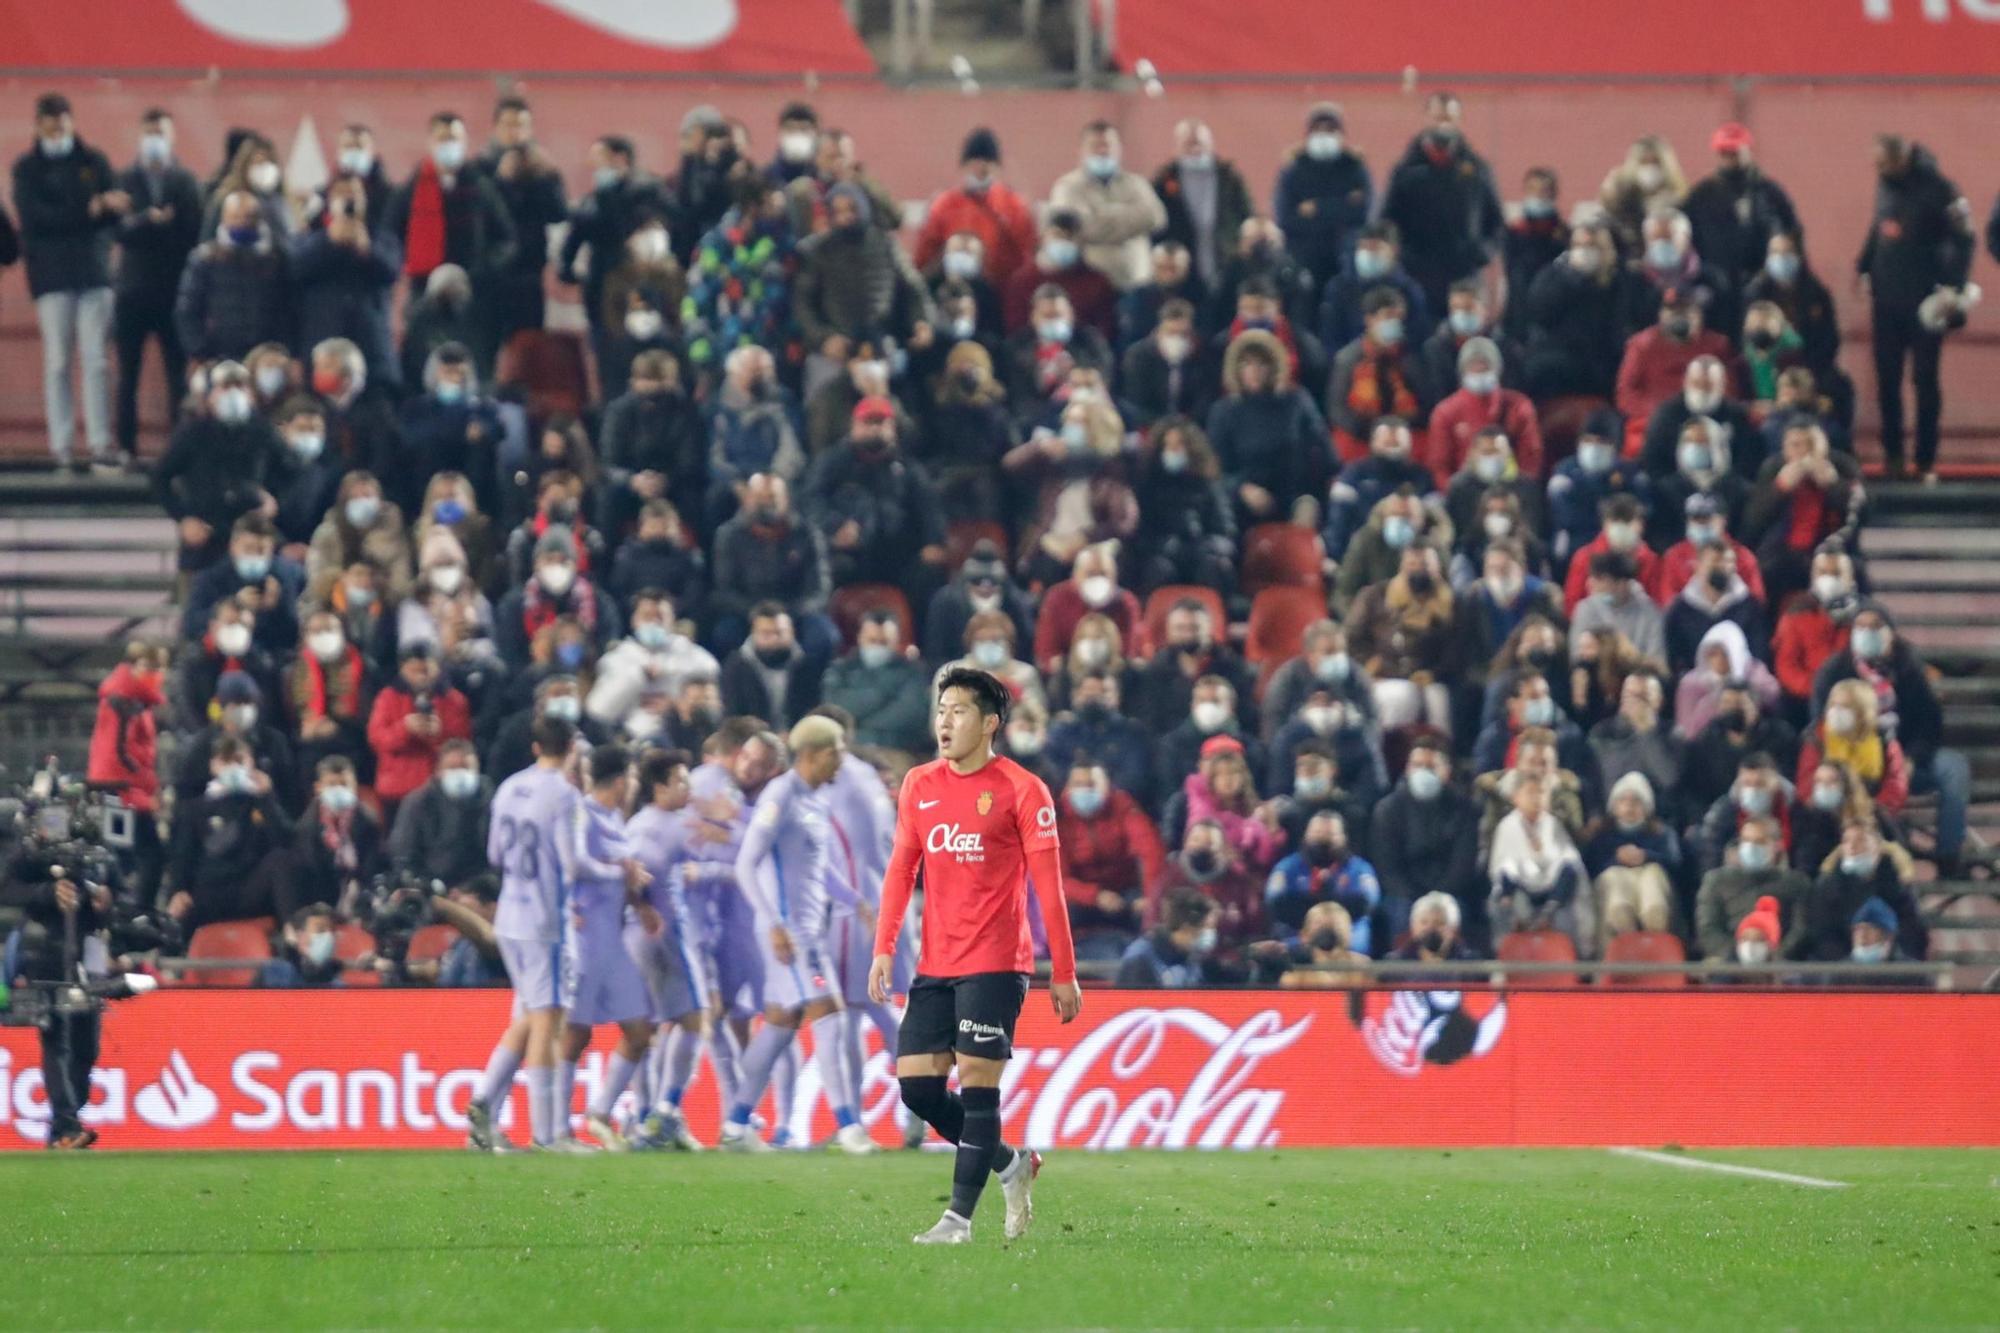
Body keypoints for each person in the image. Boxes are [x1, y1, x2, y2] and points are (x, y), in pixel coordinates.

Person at [871, 667, 1078, 1244]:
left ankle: (957, 1220)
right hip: (935, 961)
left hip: (996, 960)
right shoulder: (918, 784)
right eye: (941, 710)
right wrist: (884, 946)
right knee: (916, 1087)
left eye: (959, 711)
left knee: (979, 1084)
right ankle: (1012, 1164)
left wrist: (1064, 972)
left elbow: (1048, 888)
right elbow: (900, 870)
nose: (944, 721)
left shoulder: (1021, 789)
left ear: (990, 724)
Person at [715, 717, 874, 1154]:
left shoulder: (812, 800)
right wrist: (775, 924)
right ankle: (848, 1128)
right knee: (831, 1016)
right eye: (837, 750)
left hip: (806, 930)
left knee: (780, 1027)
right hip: (791, 936)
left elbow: (817, 867)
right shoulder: (780, 796)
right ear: (814, 754)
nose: (842, 758)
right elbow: (747, 864)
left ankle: (734, 1123)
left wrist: (855, 901)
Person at [465, 716, 579, 1152]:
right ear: (570, 746)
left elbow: (495, 852)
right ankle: (548, 1135)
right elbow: (571, 864)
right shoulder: (564, 794)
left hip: (510, 915)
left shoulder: (510, 786)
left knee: (529, 1016)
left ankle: (485, 1106)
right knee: (546, 1021)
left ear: (536, 746)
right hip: (544, 921)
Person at [14, 92, 122, 469]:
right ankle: (61, 444)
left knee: (96, 360)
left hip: (94, 273)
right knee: (58, 361)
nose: (59, 129)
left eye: (64, 121)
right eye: (51, 122)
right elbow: (35, 220)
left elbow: (113, 214)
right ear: (39, 124)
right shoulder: (27, 169)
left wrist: (104, 210)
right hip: (51, 277)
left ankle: (99, 442)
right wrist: (87, 211)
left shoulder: (94, 162)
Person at [1857, 135, 1974, 482]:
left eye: (1883, 164)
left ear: (1903, 158)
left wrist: (1953, 287)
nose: (1878, 171)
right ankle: (1893, 456)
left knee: (1924, 380)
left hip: (1926, 301)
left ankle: (1925, 460)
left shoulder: (1941, 189)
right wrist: (1863, 265)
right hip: (1886, 300)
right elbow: (1879, 227)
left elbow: (1965, 238)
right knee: (1887, 381)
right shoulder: (1886, 185)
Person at [619, 749, 713, 1151]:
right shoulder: (670, 826)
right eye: (680, 781)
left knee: (653, 1028)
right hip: (665, 934)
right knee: (695, 1021)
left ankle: (645, 1115)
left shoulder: (637, 824)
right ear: (659, 788)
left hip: (638, 935)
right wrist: (644, 907)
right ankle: (664, 1111)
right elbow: (637, 873)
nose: (687, 788)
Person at [112, 107, 200, 463]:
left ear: (172, 136)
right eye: (149, 133)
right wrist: (150, 222)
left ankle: (178, 450)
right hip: (131, 292)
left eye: (161, 133)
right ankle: (125, 448)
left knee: (176, 377)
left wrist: (155, 227)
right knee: (127, 375)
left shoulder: (186, 181)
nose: (155, 141)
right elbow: (118, 231)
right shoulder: (124, 180)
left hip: (173, 292)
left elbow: (192, 232)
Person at [1380, 91, 1503, 313]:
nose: (1442, 125)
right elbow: (1387, 220)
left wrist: (1481, 253)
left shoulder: (1477, 170)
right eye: (1438, 118)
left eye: (1448, 118)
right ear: (1426, 119)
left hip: (1465, 278)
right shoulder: (1405, 171)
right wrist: (1405, 256)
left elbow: (1496, 222)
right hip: (1417, 276)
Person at [155, 368, 285, 574]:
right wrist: (183, 518)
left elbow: (286, 472)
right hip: (204, 542)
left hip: (254, 541)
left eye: (240, 386)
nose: (233, 394)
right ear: (210, 394)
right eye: (225, 387)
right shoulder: (192, 431)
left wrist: (273, 500)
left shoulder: (263, 431)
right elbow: (159, 477)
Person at [1208, 328, 1332, 527]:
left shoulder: (1297, 401)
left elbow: (1323, 451)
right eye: (1246, 364)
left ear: (1275, 366)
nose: (1255, 371)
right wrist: (1241, 489)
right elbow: (1215, 470)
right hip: (1244, 502)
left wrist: (1310, 499)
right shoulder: (1223, 411)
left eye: (1262, 363)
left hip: (1294, 496)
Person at [558, 135, 673, 345]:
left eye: (599, 158)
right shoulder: (593, 200)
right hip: (600, 280)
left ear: (620, 158)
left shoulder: (647, 191)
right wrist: (566, 267)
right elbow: (576, 234)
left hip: (636, 280)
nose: (593, 166)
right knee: (603, 343)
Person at [1370, 738, 1483, 945]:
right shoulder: (1387, 810)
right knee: (1399, 914)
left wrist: (1438, 896)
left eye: (1431, 766)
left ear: (1446, 771)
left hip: (1450, 891)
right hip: (1403, 893)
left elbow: (1463, 864)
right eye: (1417, 765)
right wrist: (1414, 898)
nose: (1423, 772)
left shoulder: (1466, 809)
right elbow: (1387, 866)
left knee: (1455, 913)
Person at [479, 95, 570, 349]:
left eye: (521, 126)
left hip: (529, 273)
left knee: (528, 347)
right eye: (509, 125)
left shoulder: (542, 170)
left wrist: (545, 177)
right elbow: (482, 217)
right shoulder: (481, 168)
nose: (515, 133)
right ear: (496, 128)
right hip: (490, 275)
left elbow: (559, 214)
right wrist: (503, 181)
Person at [174, 190, 291, 364]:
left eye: (249, 217)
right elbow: (187, 309)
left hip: (267, 356)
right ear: (224, 219)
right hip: (218, 355)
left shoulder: (275, 258)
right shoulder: (205, 258)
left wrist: (286, 349)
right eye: (236, 217)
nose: (243, 223)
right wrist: (199, 350)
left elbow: (287, 307)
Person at [912, 127, 1037, 289]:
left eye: (985, 169)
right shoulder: (944, 206)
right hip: (949, 289)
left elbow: (1027, 257)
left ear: (996, 168)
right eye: (974, 166)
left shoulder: (1014, 207)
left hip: (998, 293)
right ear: (964, 166)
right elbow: (924, 256)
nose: (979, 172)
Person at [1785, 820, 1926, 964]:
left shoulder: (1898, 886)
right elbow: (1821, 933)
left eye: (1861, 841)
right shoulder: (1825, 887)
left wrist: (1889, 955)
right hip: (1838, 971)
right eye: (1846, 841)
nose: (1852, 846)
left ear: (1878, 848)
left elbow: (1911, 932)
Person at [1048, 120, 1166, 292]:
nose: (1103, 151)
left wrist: (1102, 217)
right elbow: (1079, 226)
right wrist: (1129, 219)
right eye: (1096, 146)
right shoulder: (1067, 187)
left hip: (1137, 283)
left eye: (1108, 145)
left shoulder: (1136, 183)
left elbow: (1155, 217)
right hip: (1090, 288)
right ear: (1081, 150)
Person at [1683, 123, 1802, 292]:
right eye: (1725, 153)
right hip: (1715, 284)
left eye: (1735, 152)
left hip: (1763, 284)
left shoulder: (1769, 192)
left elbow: (1792, 232)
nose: (1731, 158)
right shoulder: (1701, 195)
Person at [1273, 102, 1375, 290]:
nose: (1323, 135)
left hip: (1345, 259)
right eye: (1317, 130)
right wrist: (1341, 206)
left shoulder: (1354, 168)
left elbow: (1362, 215)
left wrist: (1318, 208)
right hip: (1303, 258)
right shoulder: (1294, 170)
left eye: (1330, 129)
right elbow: (1286, 218)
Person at [1487, 773, 1589, 954]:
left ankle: (1572, 965)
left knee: (1567, 914)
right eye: (1531, 792)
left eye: (1542, 792)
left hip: (1554, 895)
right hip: (1518, 893)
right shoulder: (1507, 826)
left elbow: (1569, 862)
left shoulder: (1553, 824)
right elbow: (1503, 868)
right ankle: (1504, 967)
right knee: (1500, 907)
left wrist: (1552, 903)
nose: (1537, 798)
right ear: (1516, 797)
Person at [1581, 772, 1683, 948]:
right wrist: (1616, 860)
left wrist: (1646, 856)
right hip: (1614, 892)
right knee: (1616, 891)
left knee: (1653, 885)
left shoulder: (1662, 834)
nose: (1629, 806)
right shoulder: (1602, 835)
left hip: (1651, 889)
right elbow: (1591, 868)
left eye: (1636, 801)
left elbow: (1676, 865)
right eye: (1623, 801)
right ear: (1614, 806)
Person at [1151, 119, 1253, 291]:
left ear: (1210, 144)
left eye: (1199, 143)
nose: (1194, 148)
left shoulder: (1229, 177)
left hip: (1224, 260)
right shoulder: (1164, 180)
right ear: (1177, 146)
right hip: (1182, 267)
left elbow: (1246, 213)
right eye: (1188, 143)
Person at [1264, 811, 1381, 953]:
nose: (1323, 839)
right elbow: (1275, 902)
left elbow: (1367, 903)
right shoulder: (1287, 868)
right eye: (1317, 833)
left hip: (1348, 928)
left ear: (1344, 837)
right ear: (1306, 834)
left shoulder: (1360, 869)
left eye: (1331, 834)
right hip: (1296, 929)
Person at [1693, 815, 1806, 960]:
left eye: (1760, 841)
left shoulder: (1796, 883)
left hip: (1781, 962)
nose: (1751, 847)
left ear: (1777, 845)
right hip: (1727, 961)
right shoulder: (1716, 881)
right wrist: (1735, 954)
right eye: (1746, 841)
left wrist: (1776, 955)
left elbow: (1800, 929)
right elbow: (1707, 928)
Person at [821, 610, 932, 755]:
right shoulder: (840, 670)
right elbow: (834, 708)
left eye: (884, 642)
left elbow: (909, 715)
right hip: (847, 750)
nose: (878, 647)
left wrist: (859, 725)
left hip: (894, 750)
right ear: (860, 638)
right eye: (872, 641)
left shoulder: (913, 672)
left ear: (896, 641)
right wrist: (884, 693)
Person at [389, 743, 491, 891]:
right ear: (438, 771)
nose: (460, 774)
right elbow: (403, 853)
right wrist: (427, 885)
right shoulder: (418, 803)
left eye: (466, 767)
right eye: (452, 768)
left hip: (480, 891)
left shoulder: (492, 801)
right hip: (432, 889)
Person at [720, 602, 823, 731]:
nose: (774, 639)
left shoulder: (806, 664)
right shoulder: (736, 666)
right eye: (766, 633)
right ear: (754, 633)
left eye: (780, 632)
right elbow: (733, 716)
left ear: (791, 632)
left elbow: (813, 710)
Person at [1114, 891, 1221, 989]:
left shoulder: (1192, 958)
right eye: (1208, 927)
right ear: (1187, 927)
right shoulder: (1140, 958)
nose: (1211, 933)